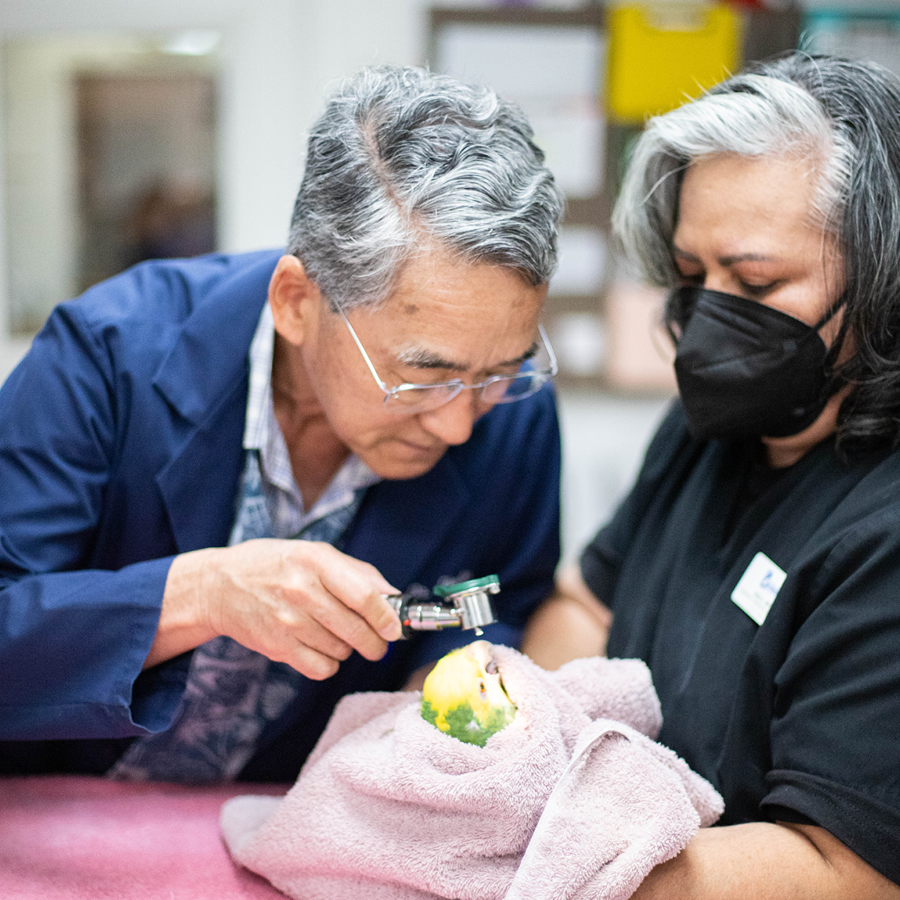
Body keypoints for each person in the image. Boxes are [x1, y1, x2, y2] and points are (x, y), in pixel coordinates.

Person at [0, 65, 564, 783]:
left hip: (286, 829)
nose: (459, 424)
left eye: (498, 370)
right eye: (422, 374)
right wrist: (198, 595)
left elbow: (504, 602)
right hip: (50, 812)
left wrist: (440, 702)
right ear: (297, 300)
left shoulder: (513, 415)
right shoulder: (107, 356)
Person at [523, 53, 900, 896]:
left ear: (884, 279)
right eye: (693, 277)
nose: (707, 323)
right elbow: (586, 602)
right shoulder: (709, 429)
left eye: (755, 281)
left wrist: (563, 865)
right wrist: (527, 749)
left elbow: (846, 871)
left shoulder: (882, 528)